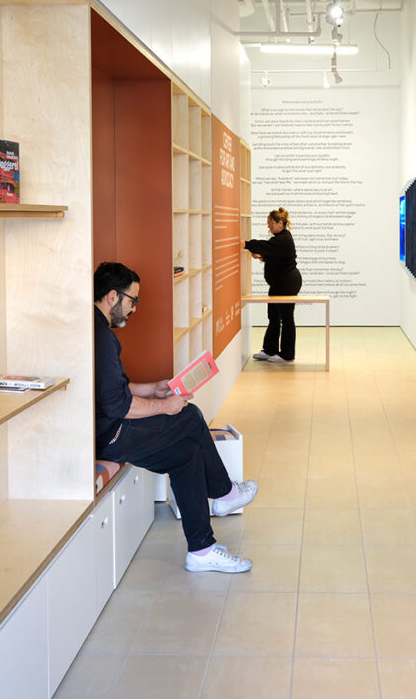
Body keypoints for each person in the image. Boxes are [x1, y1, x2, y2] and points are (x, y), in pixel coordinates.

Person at [92, 261, 257, 573]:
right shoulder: (101, 337)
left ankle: (202, 550)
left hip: (108, 429)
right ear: (112, 296)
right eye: (132, 300)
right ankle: (225, 493)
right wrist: (166, 406)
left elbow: (113, 390)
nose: (134, 309)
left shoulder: (97, 330)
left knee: (187, 454)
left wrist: (152, 389)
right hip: (111, 435)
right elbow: (118, 407)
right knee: (190, 415)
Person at [244, 207, 302, 363]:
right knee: (273, 316)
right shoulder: (280, 238)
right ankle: (270, 349)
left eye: (271, 223)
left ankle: (287, 355)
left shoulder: (283, 239)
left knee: (286, 318)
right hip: (279, 283)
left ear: (280, 223)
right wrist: (262, 257)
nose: (268, 226)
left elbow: (266, 246)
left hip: (287, 283)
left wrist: (246, 244)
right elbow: (275, 255)